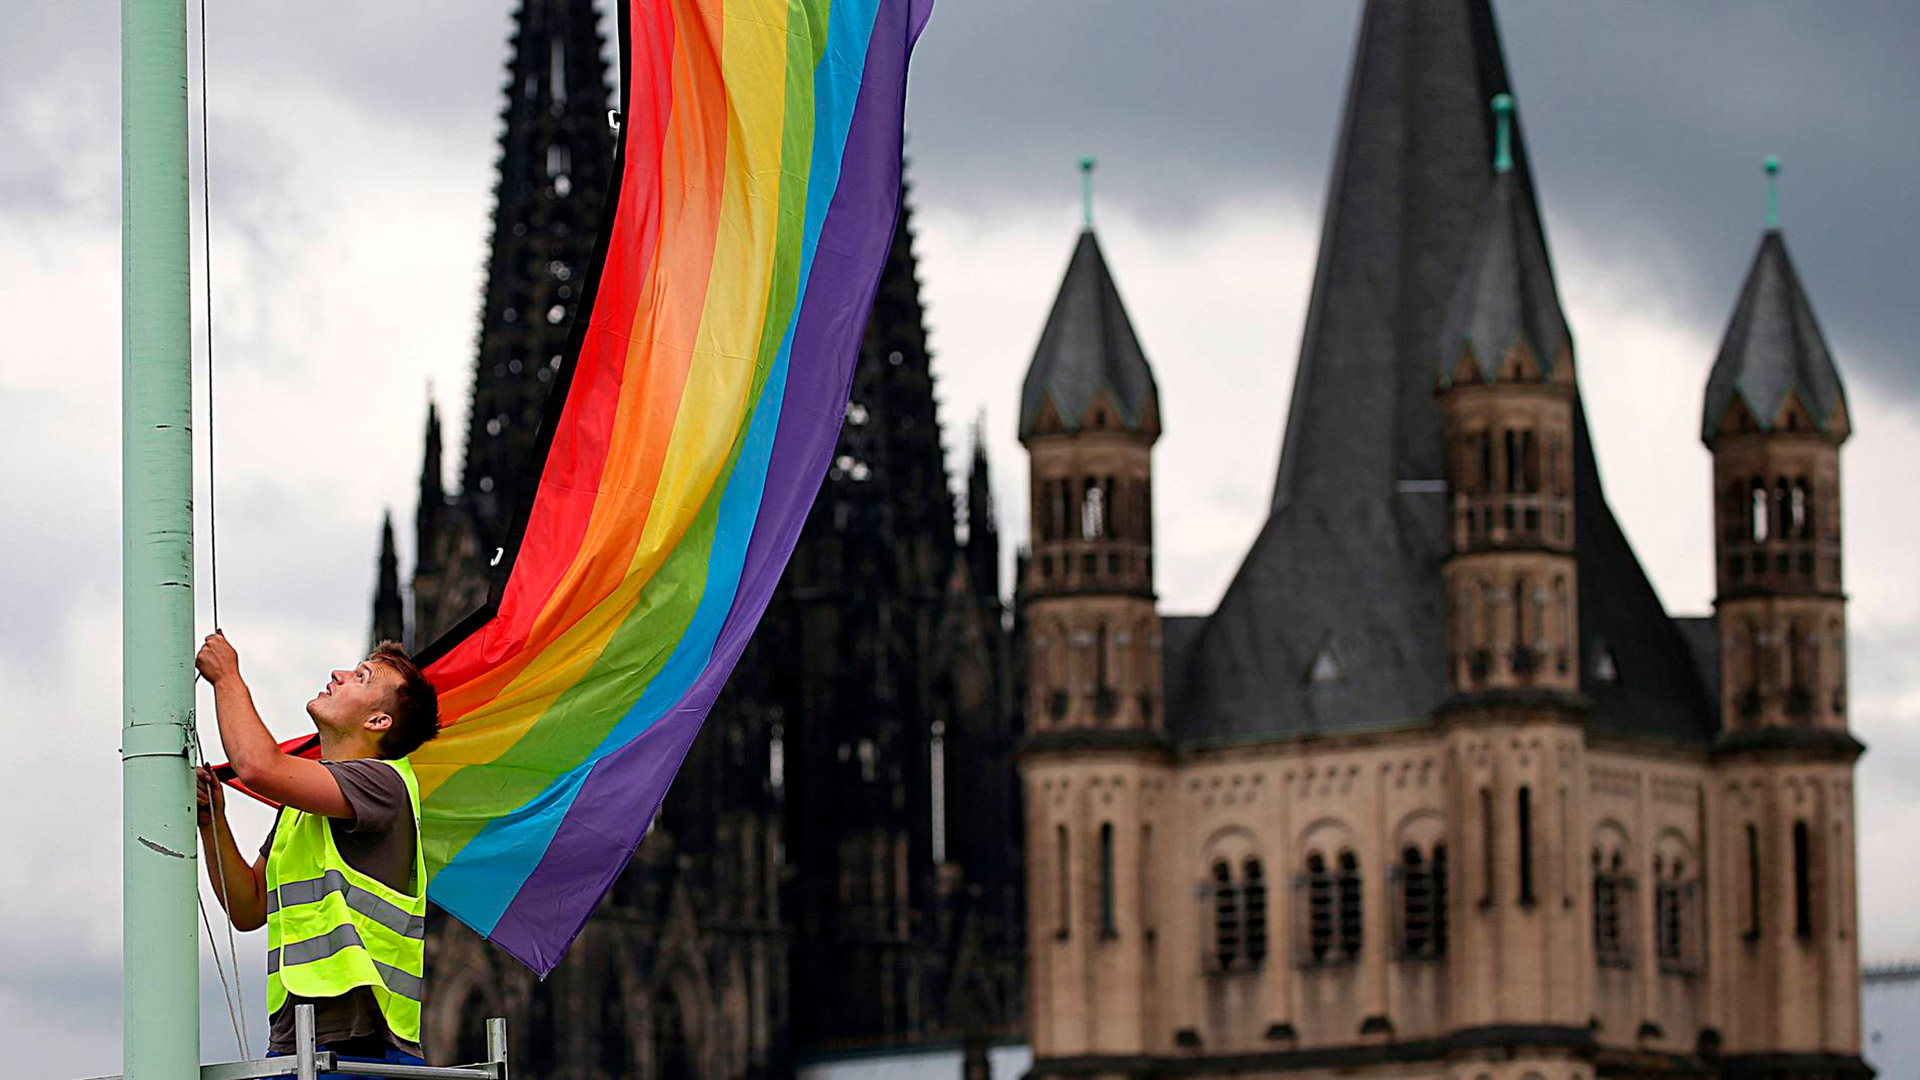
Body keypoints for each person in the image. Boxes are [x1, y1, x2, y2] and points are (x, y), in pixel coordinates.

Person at [194, 631, 440, 1076]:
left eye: (361, 677)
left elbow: (258, 766)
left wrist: (228, 678)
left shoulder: (384, 783)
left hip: (363, 1048)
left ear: (379, 722)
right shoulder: (303, 806)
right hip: (294, 1043)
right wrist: (214, 823)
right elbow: (248, 905)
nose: (339, 674)